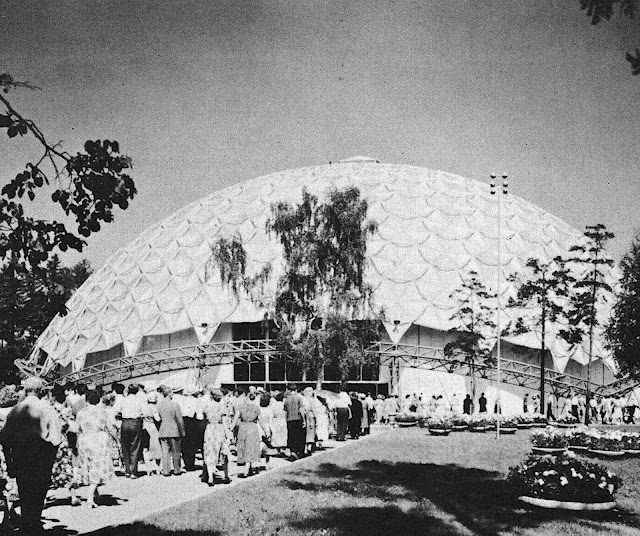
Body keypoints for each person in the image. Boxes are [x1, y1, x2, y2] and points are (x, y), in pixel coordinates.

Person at [0, 378, 62, 534]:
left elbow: (5, 439)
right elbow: (56, 438)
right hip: (41, 456)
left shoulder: (15, 410)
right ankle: (33, 523)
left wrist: (9, 462)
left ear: (26, 390)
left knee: (25, 493)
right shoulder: (47, 408)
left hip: (21, 456)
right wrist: (51, 459)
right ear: (40, 391)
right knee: (39, 493)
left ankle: (28, 524)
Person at [76, 389, 116, 508]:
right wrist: (116, 440)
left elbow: (77, 428)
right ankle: (90, 497)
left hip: (85, 439)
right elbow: (110, 427)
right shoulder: (102, 412)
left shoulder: (81, 413)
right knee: (98, 466)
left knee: (89, 466)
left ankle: (96, 494)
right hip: (98, 439)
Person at [202, 388, 231, 486]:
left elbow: (203, 418)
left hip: (210, 429)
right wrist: (228, 435)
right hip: (219, 429)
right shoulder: (222, 407)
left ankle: (210, 477)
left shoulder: (207, 407)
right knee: (223, 452)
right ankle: (226, 475)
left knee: (210, 452)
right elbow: (224, 422)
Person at [156, 385, 185, 476]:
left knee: (165, 451)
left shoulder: (159, 405)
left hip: (163, 430)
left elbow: (159, 418)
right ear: (168, 394)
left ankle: (166, 470)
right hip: (174, 430)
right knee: (176, 451)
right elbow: (179, 420)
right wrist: (182, 431)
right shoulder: (175, 405)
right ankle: (177, 469)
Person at [119, 384, 146, 478]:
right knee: (135, 446)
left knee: (125, 446)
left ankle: (127, 470)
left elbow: (118, 411)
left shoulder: (123, 400)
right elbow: (144, 412)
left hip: (125, 422)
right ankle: (133, 471)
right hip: (135, 422)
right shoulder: (140, 400)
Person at [235, 392, 261, 477]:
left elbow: (235, 418)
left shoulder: (241, 407)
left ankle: (248, 468)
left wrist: (230, 429)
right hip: (253, 427)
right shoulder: (256, 408)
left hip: (243, 427)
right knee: (251, 447)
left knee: (244, 447)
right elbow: (261, 420)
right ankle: (248, 468)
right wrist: (267, 431)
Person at [142, 390, 162, 476]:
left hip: (144, 427)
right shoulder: (154, 407)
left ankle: (148, 468)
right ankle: (157, 468)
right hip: (152, 428)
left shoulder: (144, 407)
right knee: (156, 448)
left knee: (146, 449)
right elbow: (157, 419)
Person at [284, 385, 305, 459]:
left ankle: (292, 451)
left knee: (291, 436)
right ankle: (298, 452)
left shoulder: (287, 399)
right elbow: (301, 410)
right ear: (296, 390)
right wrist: (304, 420)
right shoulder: (299, 398)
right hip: (298, 418)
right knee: (298, 436)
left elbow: (285, 410)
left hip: (289, 419)